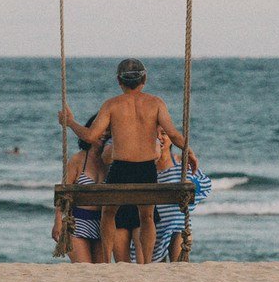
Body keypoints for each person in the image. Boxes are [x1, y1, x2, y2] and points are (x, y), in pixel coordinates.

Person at [58, 58, 197, 264]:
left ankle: (106, 259)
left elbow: (90, 136)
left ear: (118, 81)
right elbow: (174, 135)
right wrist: (190, 151)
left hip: (120, 168)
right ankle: (147, 262)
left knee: (109, 213)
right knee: (147, 217)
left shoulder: (112, 105)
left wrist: (70, 122)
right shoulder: (156, 103)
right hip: (146, 168)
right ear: (145, 79)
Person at [141, 129, 212, 262]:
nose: (160, 138)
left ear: (172, 138)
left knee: (178, 266)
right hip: (155, 227)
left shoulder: (181, 163)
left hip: (177, 224)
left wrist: (192, 184)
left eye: (163, 134)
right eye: (154, 135)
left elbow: (207, 184)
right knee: (157, 270)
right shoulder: (147, 167)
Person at [52, 115, 109, 263]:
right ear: (87, 132)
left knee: (101, 273)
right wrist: (58, 221)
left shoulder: (111, 161)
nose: (104, 134)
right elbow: (64, 193)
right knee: (84, 270)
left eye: (107, 130)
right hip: (78, 223)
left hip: (103, 224)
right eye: (99, 130)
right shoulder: (78, 160)